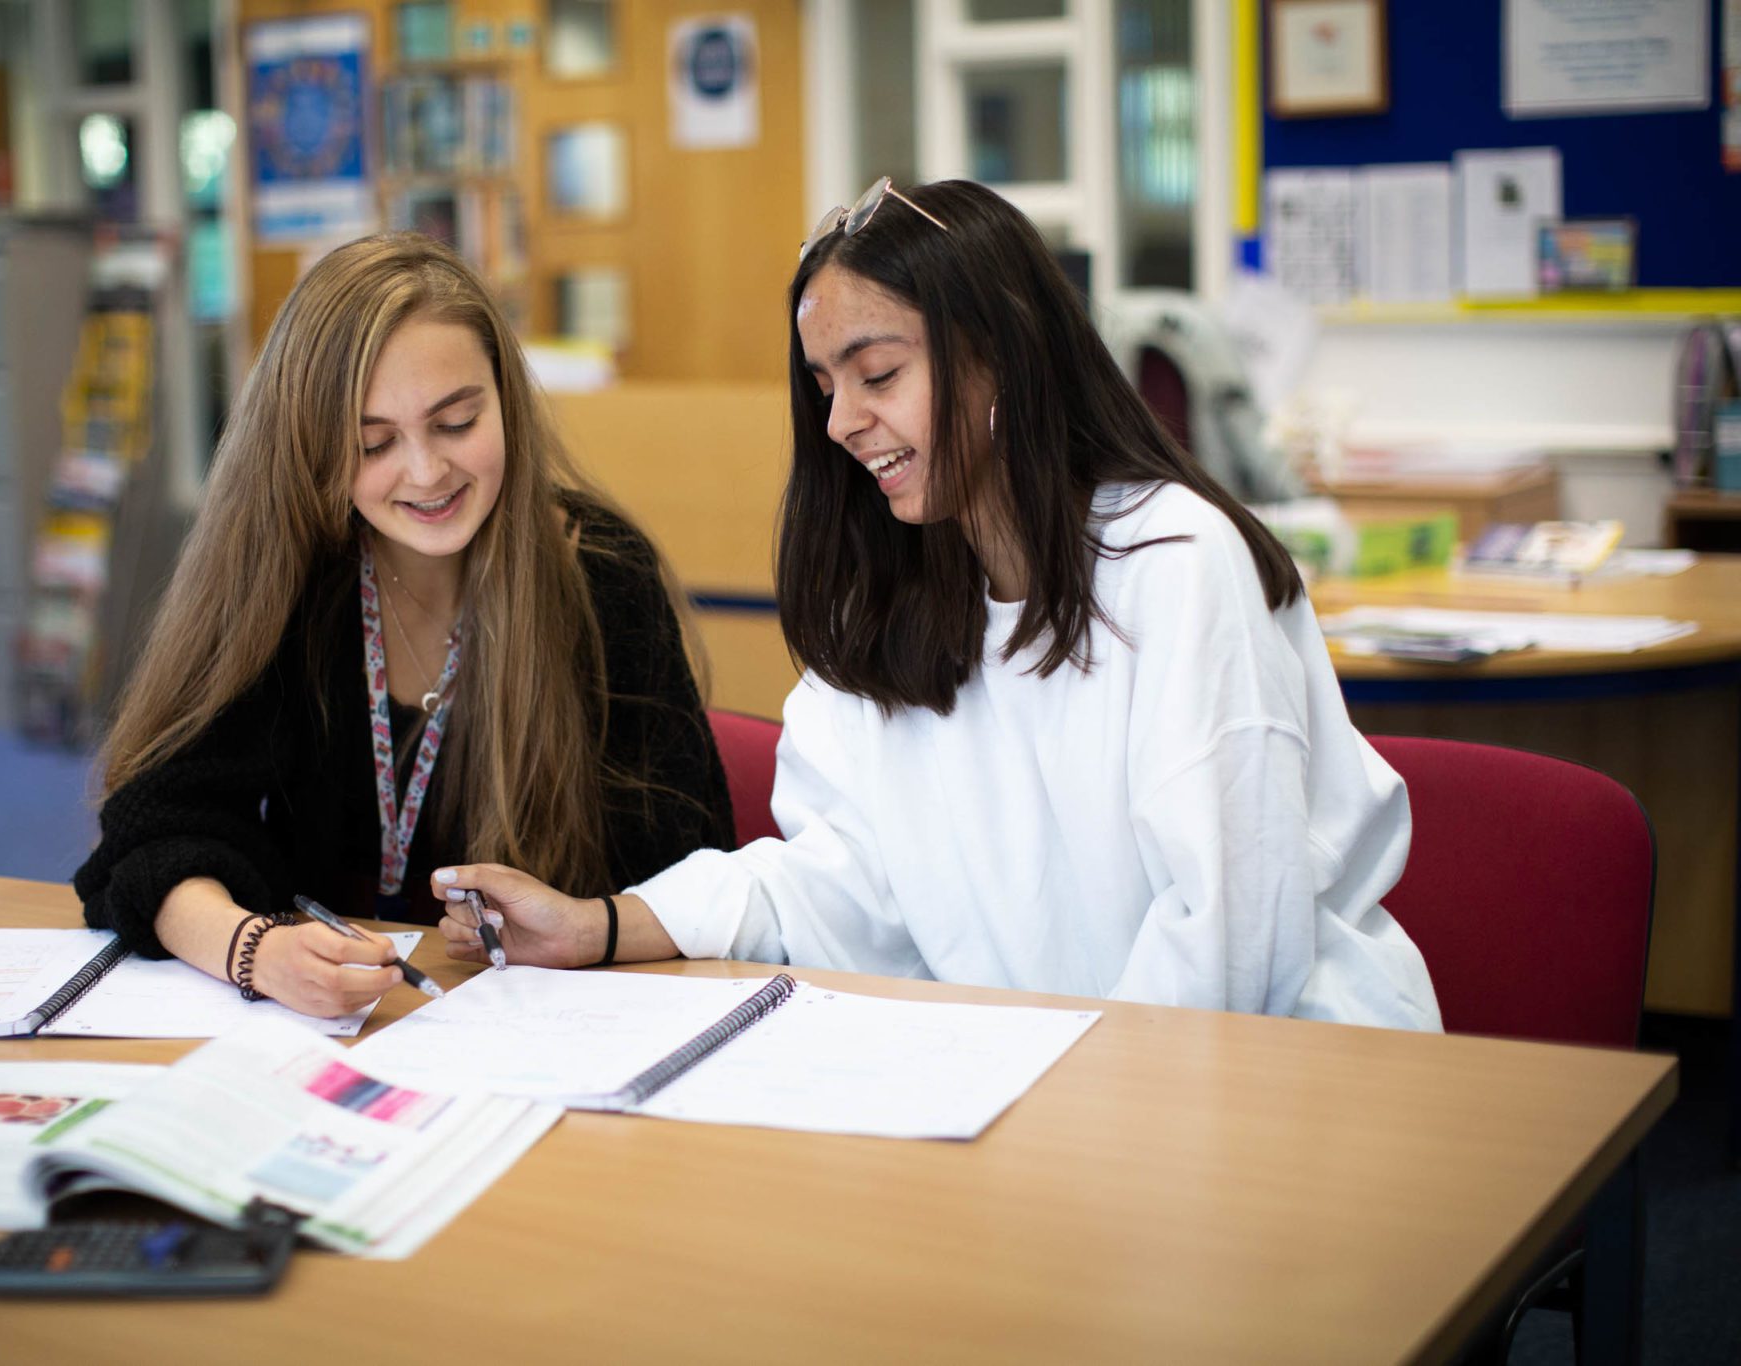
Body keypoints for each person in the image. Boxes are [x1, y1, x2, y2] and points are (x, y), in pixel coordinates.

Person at [432, 179, 1441, 1031]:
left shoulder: (1173, 562)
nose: (839, 421)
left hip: (1272, 1084)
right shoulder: (895, 590)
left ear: (998, 353)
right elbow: (836, 884)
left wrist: (1059, 1112)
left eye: (877, 373)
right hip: (1050, 1091)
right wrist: (592, 926)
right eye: (826, 384)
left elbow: (1228, 947)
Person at [74, 234, 732, 1018]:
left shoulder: (599, 575)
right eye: (373, 443)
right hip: (329, 1034)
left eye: (456, 422)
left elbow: (696, 880)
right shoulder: (291, 572)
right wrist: (257, 952)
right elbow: (149, 831)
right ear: (314, 449)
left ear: (506, 400)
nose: (425, 473)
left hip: (558, 1026)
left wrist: (590, 929)